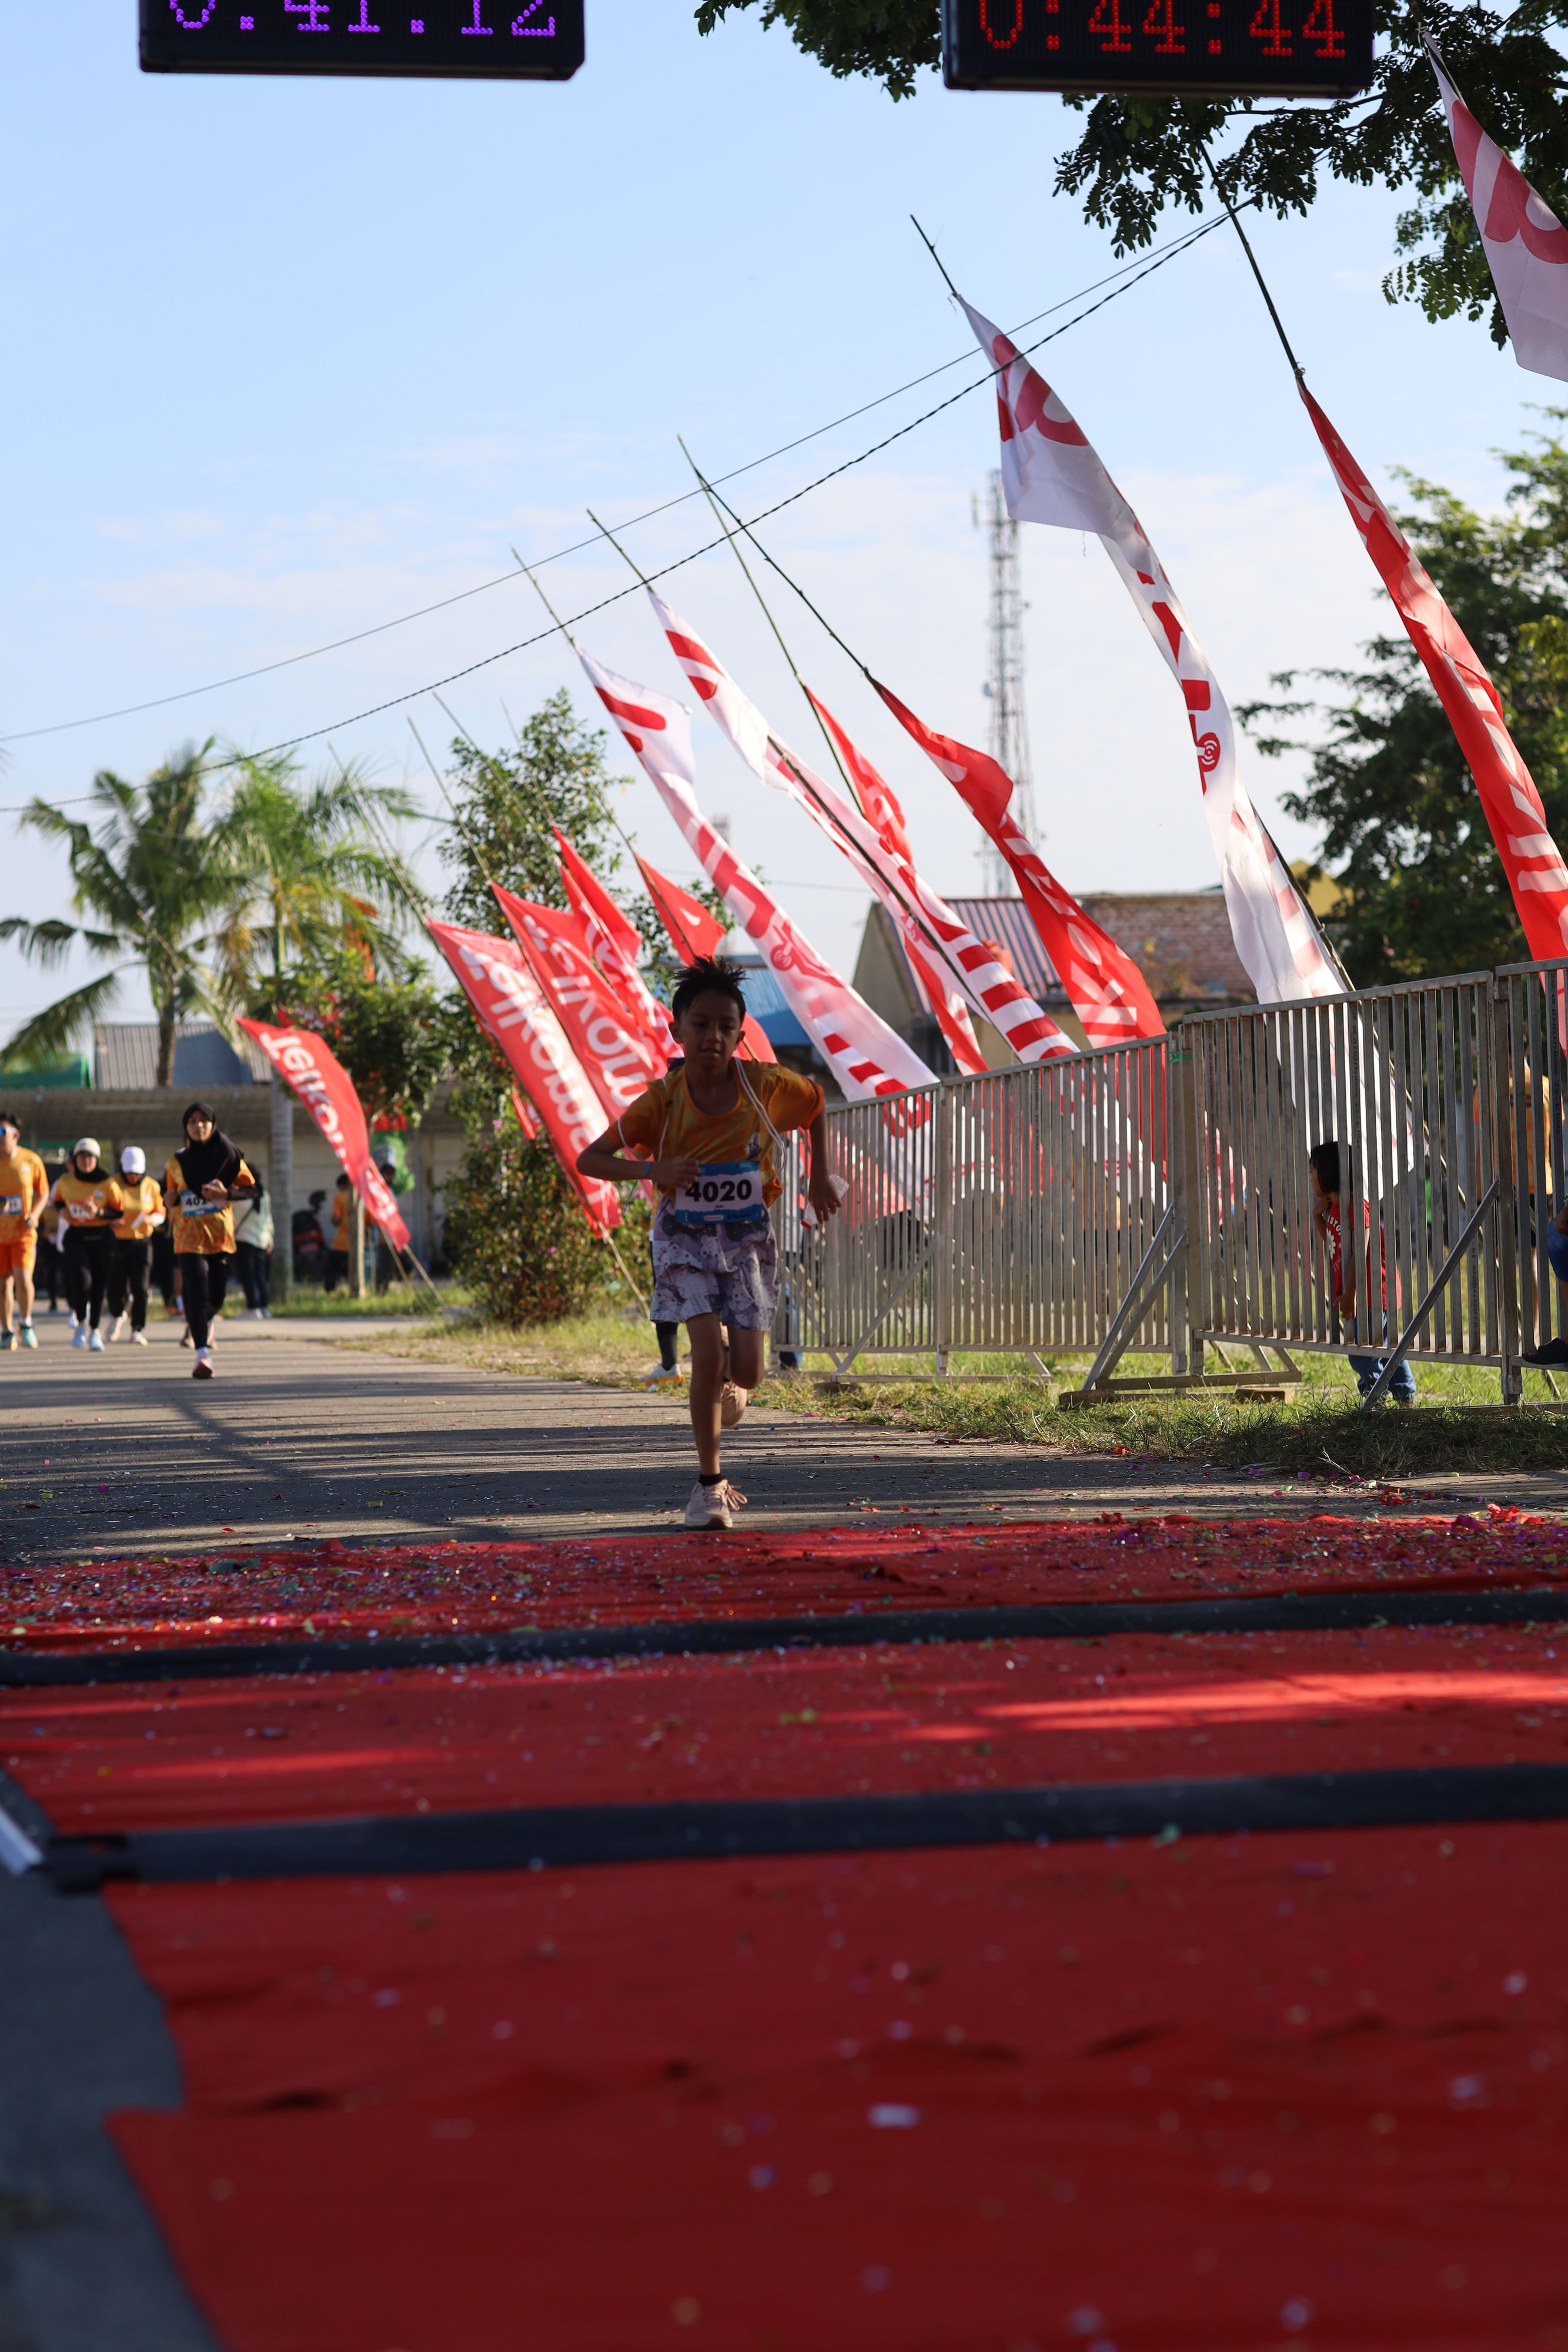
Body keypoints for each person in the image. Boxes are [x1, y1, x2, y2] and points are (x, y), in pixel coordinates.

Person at [577, 955, 839, 1531]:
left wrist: (819, 1176)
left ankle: (725, 1371)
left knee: (748, 1375)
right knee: (706, 1353)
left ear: (740, 1037)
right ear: (677, 1031)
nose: (712, 1036)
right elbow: (590, 1158)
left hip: (746, 1240)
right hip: (683, 1240)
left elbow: (817, 1102)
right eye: (700, 1024)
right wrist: (653, 1170)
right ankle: (709, 1486)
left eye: (725, 1026)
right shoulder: (662, 1101)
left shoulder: (765, 1085)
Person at [1309, 1138, 1416, 1405]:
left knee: (1362, 1350)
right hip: (1367, 1291)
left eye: (1312, 1171)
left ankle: (1374, 1398)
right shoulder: (1335, 1209)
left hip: (1372, 1290)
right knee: (1386, 1347)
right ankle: (1405, 1396)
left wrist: (1351, 1293)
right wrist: (1318, 1218)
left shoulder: (1356, 1206)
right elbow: (1333, 1243)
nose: (1310, 1178)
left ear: (1328, 1173)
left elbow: (1361, 1249)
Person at [162, 1102, 257, 1379]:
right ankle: (202, 1354)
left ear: (213, 1124)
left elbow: (252, 1190)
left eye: (204, 1120)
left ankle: (203, 1321)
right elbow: (170, 1195)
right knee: (196, 1285)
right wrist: (168, 1199)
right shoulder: (176, 1162)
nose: (198, 1126)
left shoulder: (230, 1157)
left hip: (219, 1237)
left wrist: (225, 1194)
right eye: (192, 1121)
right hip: (187, 1236)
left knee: (216, 1295)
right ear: (186, 1128)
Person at [50, 1139, 125, 1353]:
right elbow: (57, 1200)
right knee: (82, 1280)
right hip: (77, 1236)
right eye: (82, 1156)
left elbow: (119, 1212)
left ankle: (95, 1330)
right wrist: (62, 1210)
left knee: (99, 1285)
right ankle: (81, 1324)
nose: (86, 1161)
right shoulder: (66, 1181)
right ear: (75, 1159)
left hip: (101, 1238)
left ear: (97, 1159)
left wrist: (99, 1212)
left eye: (90, 1157)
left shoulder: (107, 1183)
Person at [0, 1115, 49, 1351]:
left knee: (23, 1278)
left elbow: (43, 1192)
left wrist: (35, 1214)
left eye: (3, 1133)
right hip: (1, 1236)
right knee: (3, 1284)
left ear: (16, 1136)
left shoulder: (31, 1160)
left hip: (23, 1233)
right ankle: (7, 1331)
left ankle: (26, 1323)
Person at [107, 1147, 165, 1345]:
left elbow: (160, 1213)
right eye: (130, 1172)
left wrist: (151, 1219)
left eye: (137, 1173)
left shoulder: (151, 1186)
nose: (133, 1176)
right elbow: (103, 1209)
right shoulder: (113, 1184)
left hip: (142, 1242)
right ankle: (117, 1313)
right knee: (115, 1287)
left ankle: (137, 1328)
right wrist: (110, 1220)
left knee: (141, 1287)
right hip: (117, 1242)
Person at [235, 1178, 275, 1318]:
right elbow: (268, 1218)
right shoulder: (264, 1194)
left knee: (248, 1275)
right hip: (262, 1239)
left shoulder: (241, 1195)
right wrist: (270, 1238)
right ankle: (264, 1307)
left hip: (245, 1238)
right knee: (260, 1275)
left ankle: (252, 1307)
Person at [323, 1172, 353, 1293]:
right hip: (357, 1243)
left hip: (341, 1242)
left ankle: (330, 1291)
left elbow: (336, 1219)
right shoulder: (362, 1198)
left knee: (332, 1267)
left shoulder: (340, 1198)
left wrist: (333, 1220)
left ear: (343, 1185)